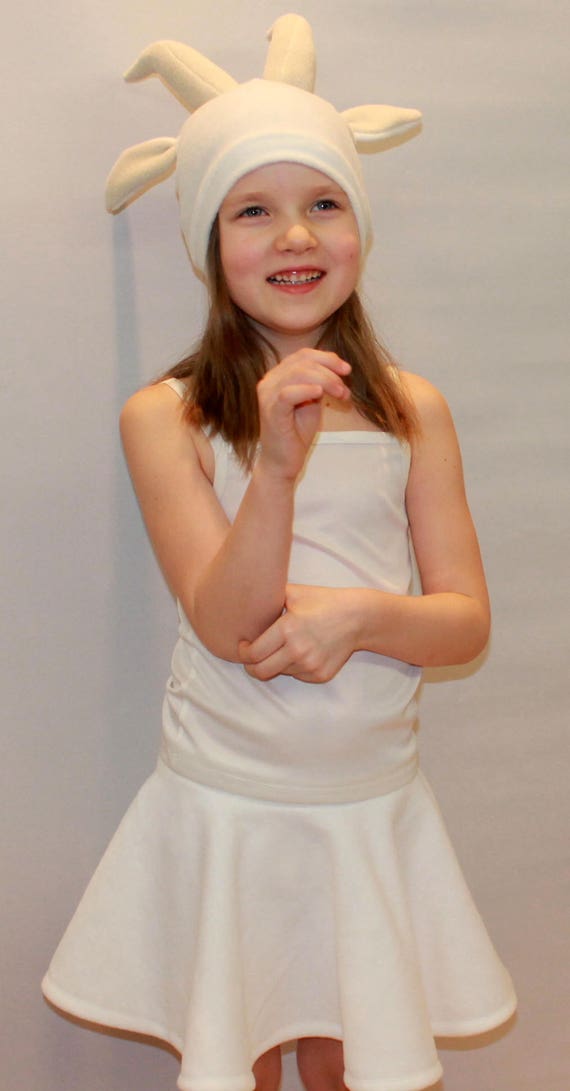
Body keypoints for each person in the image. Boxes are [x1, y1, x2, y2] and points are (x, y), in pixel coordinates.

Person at [42, 16, 516, 1091]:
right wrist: (276, 467)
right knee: (244, 1052)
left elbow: (464, 620)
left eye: (324, 203)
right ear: (210, 241)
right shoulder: (166, 415)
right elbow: (229, 622)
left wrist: (357, 615)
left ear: (360, 226)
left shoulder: (412, 410)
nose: (295, 235)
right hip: (233, 805)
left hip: (369, 802)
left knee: (353, 1060)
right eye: (253, 208)